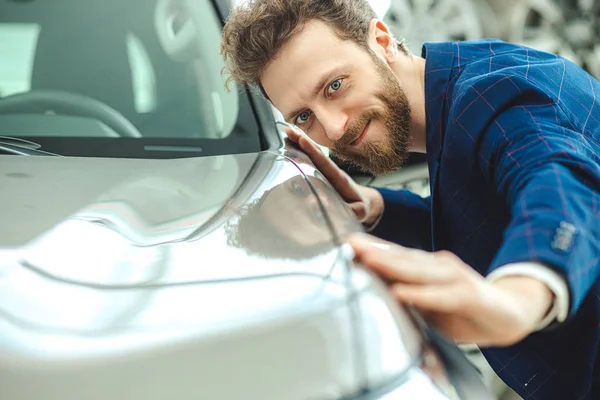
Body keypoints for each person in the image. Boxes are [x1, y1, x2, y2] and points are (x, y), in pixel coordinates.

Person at [219, 0, 600, 398]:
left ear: (382, 41)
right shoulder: (454, 94)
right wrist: (378, 209)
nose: (332, 128)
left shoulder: (493, 96)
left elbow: (562, 184)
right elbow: (489, 215)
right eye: (303, 117)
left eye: (335, 86)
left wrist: (518, 296)